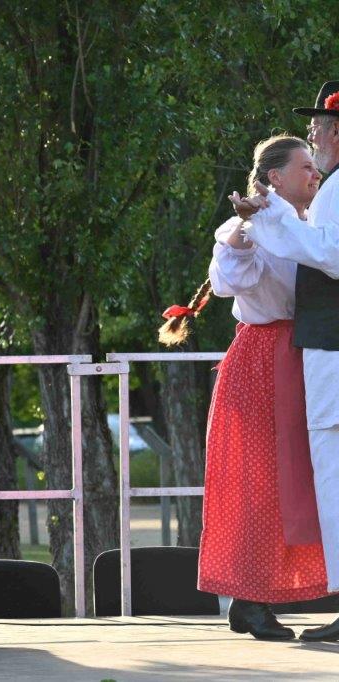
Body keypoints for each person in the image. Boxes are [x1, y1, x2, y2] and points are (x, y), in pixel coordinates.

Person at [164, 135, 329, 640]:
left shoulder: (313, 225)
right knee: (259, 482)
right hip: (264, 358)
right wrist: (243, 227)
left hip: (307, 355)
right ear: (275, 177)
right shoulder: (250, 229)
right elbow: (227, 280)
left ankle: (273, 597)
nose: (315, 174)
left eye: (315, 166)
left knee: (307, 480)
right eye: (305, 166)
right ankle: (249, 600)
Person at [237, 81, 339, 642]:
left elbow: (330, 253)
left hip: (329, 355)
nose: (313, 135)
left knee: (329, 476)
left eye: (317, 127)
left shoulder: (338, 187)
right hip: (311, 352)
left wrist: (272, 217)